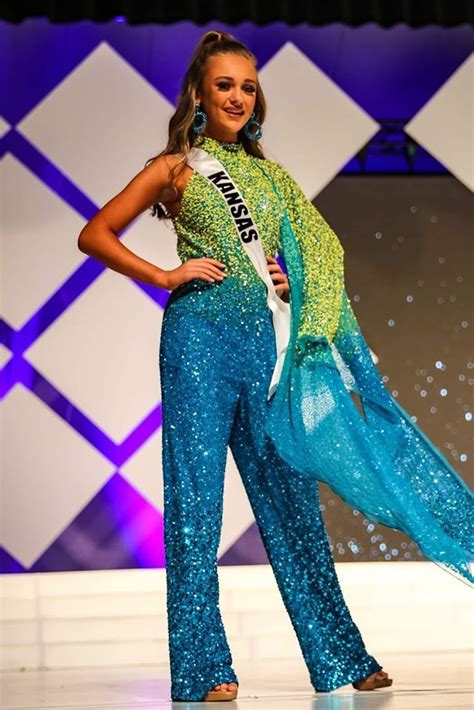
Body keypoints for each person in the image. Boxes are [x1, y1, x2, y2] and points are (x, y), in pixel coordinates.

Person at [78, 29, 472, 703]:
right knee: (195, 510)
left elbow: (308, 252)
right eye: (225, 85)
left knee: (293, 509)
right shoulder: (175, 166)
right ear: (200, 94)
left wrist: (292, 283)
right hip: (198, 349)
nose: (237, 96)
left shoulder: (269, 175)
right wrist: (164, 275)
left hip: (267, 352)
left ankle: (341, 658)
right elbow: (95, 233)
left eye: (248, 87)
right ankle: (204, 669)